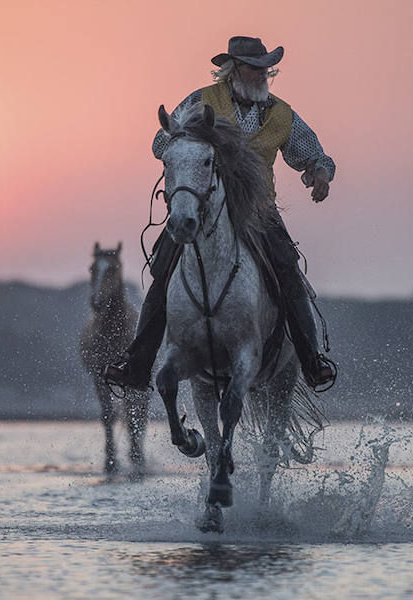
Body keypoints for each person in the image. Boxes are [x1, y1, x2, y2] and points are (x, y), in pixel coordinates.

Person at [105, 35, 336, 392]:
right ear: (233, 70)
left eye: (265, 69)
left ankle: (312, 361)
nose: (262, 75)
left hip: (258, 210)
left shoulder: (281, 114)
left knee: (289, 271)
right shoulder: (201, 101)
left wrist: (320, 173)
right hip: (202, 207)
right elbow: (161, 142)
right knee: (162, 270)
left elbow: (313, 155)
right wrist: (192, 137)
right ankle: (136, 365)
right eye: (254, 68)